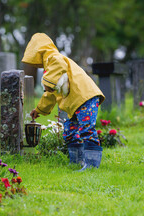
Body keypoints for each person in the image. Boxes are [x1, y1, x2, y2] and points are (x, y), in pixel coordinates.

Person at [22, 33, 105, 170]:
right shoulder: (50, 67)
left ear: (39, 51)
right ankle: (76, 162)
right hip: (74, 102)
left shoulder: (55, 58)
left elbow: (56, 71)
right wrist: (39, 110)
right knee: (69, 131)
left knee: (86, 129)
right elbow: (50, 94)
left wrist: (48, 82)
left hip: (85, 97)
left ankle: (91, 165)